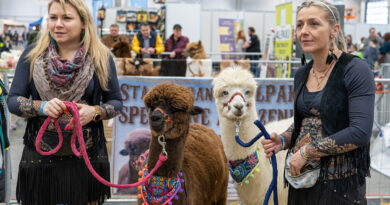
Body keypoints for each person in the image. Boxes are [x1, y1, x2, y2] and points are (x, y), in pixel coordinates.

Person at [7, 0, 123, 204]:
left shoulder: (101, 58)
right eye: (53, 18)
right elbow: (13, 100)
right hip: (40, 157)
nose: (58, 24)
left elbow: (116, 102)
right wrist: (41, 106)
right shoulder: (32, 55)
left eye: (66, 18)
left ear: (84, 22)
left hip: (87, 156)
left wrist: (94, 112)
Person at [261, 1, 374, 205]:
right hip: (301, 183)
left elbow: (361, 132)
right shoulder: (302, 73)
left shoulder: (355, 70)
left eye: (314, 24)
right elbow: (305, 120)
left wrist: (307, 151)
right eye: (300, 25)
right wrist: (285, 140)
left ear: (334, 30)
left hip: (340, 189)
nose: (304, 31)